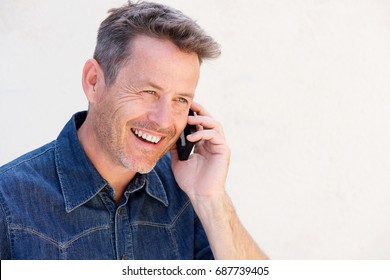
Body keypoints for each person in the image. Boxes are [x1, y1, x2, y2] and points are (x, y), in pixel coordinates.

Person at [0, 1, 267, 260]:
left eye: (181, 100)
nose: (164, 121)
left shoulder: (187, 192)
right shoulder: (8, 200)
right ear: (94, 82)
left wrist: (212, 200)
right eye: (149, 92)